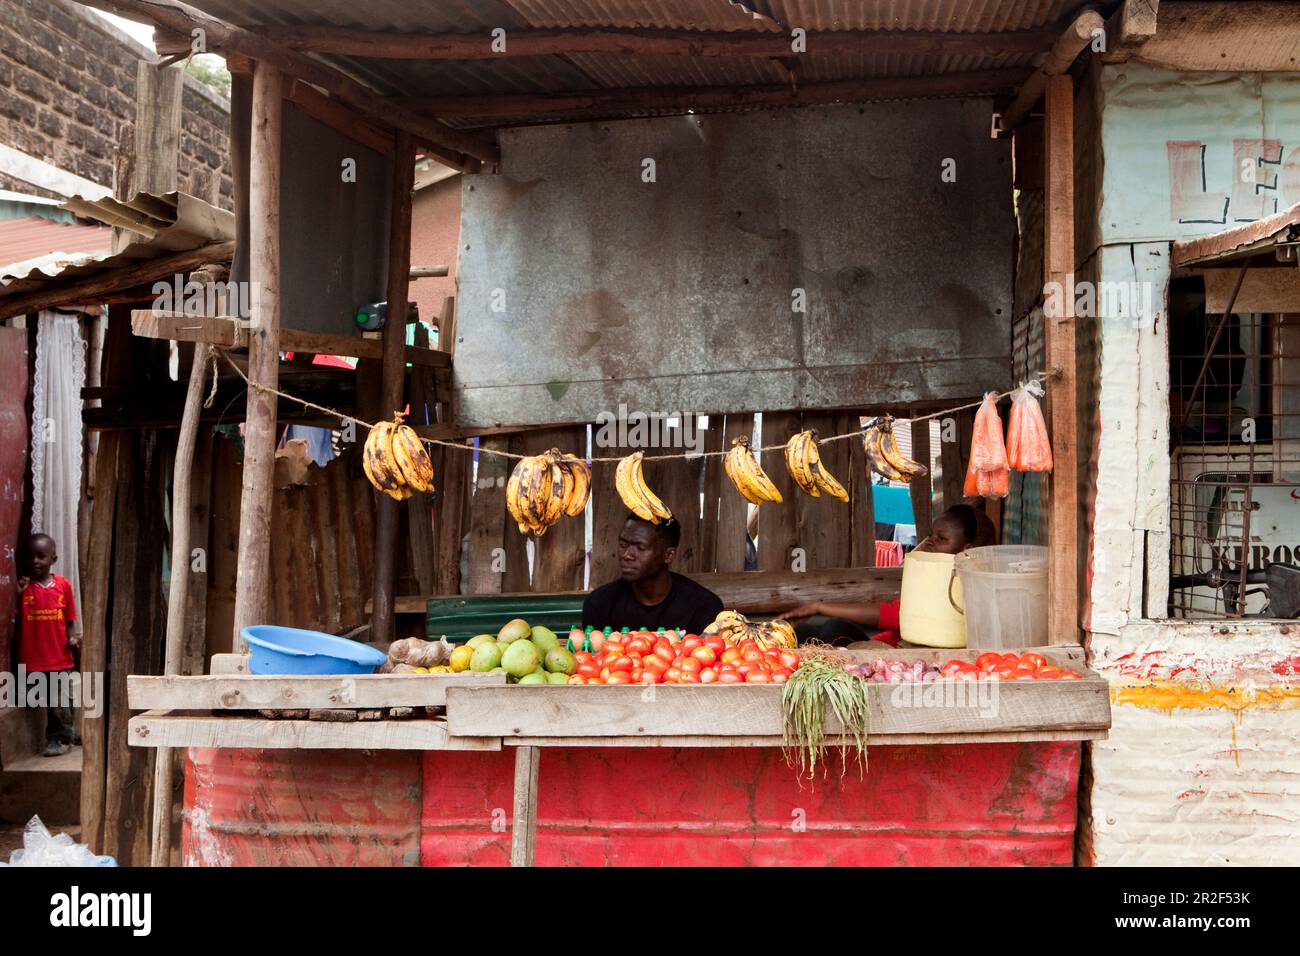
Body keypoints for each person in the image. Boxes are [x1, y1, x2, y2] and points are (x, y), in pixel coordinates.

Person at [776, 503, 995, 647]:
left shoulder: (966, 588)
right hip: (883, 646)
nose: (930, 542)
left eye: (941, 539)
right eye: (930, 535)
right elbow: (893, 612)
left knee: (835, 628)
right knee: (803, 631)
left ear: (967, 548)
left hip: (902, 658)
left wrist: (819, 607)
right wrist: (817, 606)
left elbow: (892, 616)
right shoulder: (932, 576)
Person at [584, 514, 723, 635]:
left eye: (640, 547)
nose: (627, 555)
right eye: (623, 544)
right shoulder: (600, 604)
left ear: (668, 555)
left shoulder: (702, 606)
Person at [16, 534, 80, 756]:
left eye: (41, 556)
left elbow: (69, 618)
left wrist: (72, 638)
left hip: (60, 656)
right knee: (45, 701)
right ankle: (61, 735)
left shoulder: (63, 585)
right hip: (34, 658)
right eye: (30, 556)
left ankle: (59, 737)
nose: (35, 561)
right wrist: (18, 593)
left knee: (61, 700)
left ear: (53, 559)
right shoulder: (24, 589)